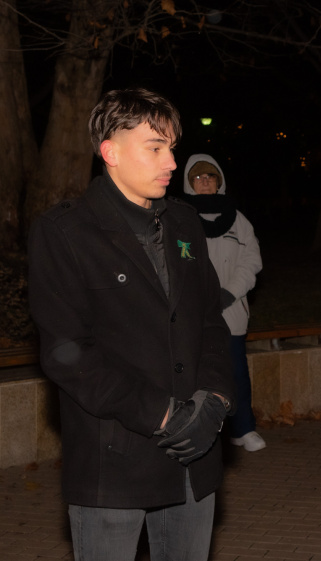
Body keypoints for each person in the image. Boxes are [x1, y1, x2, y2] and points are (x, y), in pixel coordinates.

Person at [28, 88, 236, 560]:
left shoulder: (184, 223)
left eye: (172, 147)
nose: (171, 161)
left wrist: (216, 400)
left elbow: (208, 323)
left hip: (193, 458)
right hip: (114, 460)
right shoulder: (65, 233)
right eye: (156, 147)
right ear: (111, 153)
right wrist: (165, 414)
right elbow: (69, 354)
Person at [180, 153, 266, 452]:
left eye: (210, 177)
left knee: (236, 373)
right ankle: (199, 431)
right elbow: (179, 261)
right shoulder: (180, 217)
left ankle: (243, 429)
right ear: (190, 184)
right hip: (195, 312)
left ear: (219, 182)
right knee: (197, 376)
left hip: (230, 310)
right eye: (199, 178)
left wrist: (229, 293)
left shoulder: (238, 220)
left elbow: (251, 260)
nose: (205, 182)